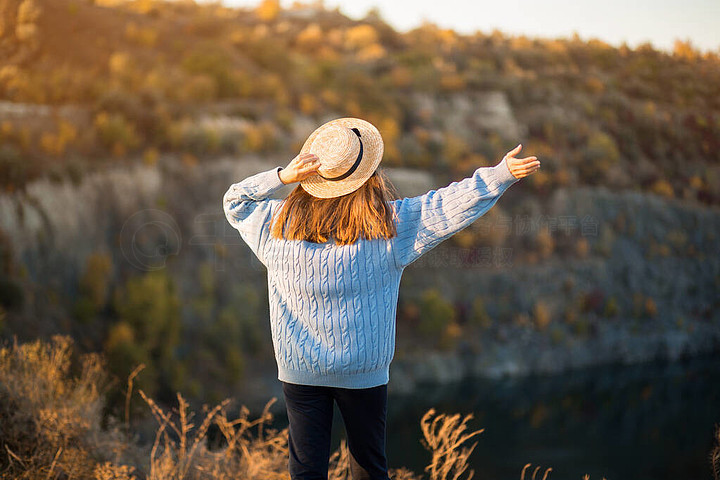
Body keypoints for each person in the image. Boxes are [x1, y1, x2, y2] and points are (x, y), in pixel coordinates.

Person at [222, 117, 540, 480]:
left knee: (306, 471)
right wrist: (499, 175)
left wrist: (280, 177)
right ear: (368, 176)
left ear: (311, 176)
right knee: (369, 468)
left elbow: (235, 201)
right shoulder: (389, 227)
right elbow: (446, 206)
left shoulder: (275, 226)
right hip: (363, 372)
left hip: (301, 369)